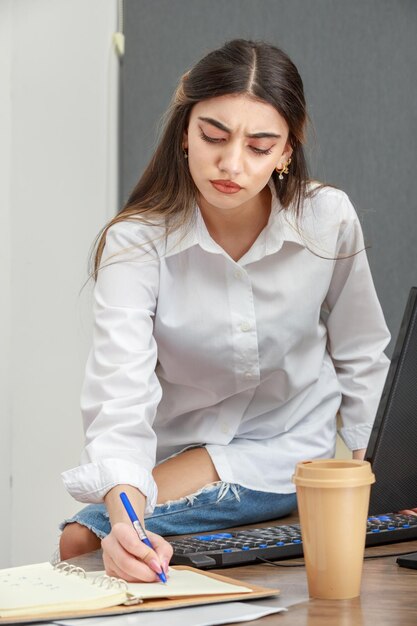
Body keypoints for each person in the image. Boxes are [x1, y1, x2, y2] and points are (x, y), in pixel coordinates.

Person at [59, 39, 390, 583]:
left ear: (288, 150)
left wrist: (372, 484)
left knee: (81, 534)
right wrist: (124, 520)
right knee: (87, 537)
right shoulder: (136, 243)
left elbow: (362, 355)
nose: (231, 164)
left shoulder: (327, 219)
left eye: (260, 146)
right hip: (182, 451)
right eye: (214, 136)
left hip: (294, 453)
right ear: (185, 133)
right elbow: (119, 397)